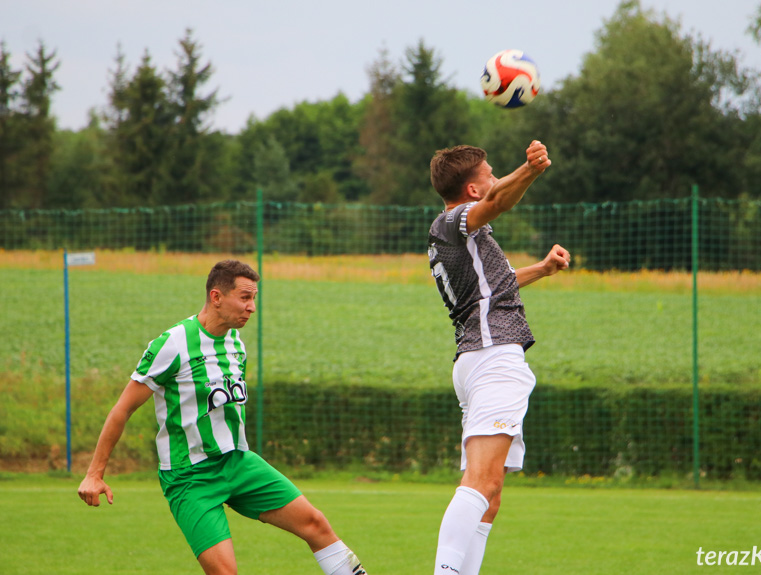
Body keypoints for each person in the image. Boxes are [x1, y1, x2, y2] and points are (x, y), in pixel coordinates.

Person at [77, 259, 367, 575]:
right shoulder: (173, 344)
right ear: (216, 297)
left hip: (238, 463)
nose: (252, 307)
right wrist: (95, 473)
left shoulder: (235, 343)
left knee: (316, 524)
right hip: (190, 476)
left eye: (254, 298)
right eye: (244, 297)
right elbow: (123, 409)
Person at [427, 141, 570, 575]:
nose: (494, 178)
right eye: (489, 173)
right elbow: (496, 199)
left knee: (491, 493)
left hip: (478, 359)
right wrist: (529, 170)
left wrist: (542, 269)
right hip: (493, 359)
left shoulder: (464, 235)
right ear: (471, 189)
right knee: (480, 484)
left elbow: (498, 285)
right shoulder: (454, 222)